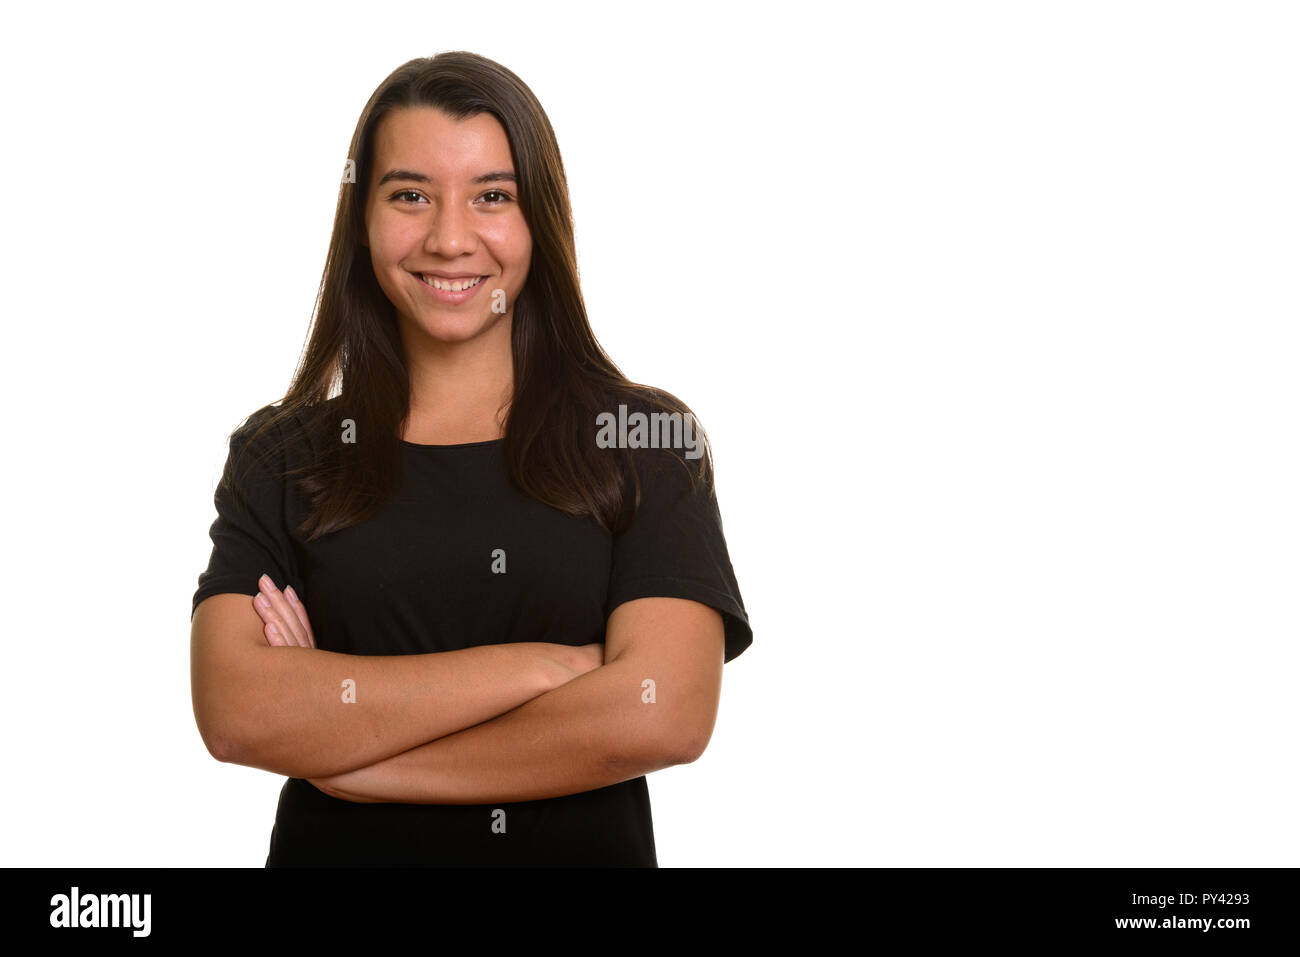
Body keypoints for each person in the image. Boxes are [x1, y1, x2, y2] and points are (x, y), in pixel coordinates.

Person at [189, 51, 751, 867]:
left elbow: (662, 712)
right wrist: (539, 668)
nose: (450, 239)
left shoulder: (644, 440)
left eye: (493, 196)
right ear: (364, 219)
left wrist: (355, 757)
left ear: (539, 221)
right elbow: (236, 709)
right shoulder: (282, 457)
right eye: (410, 195)